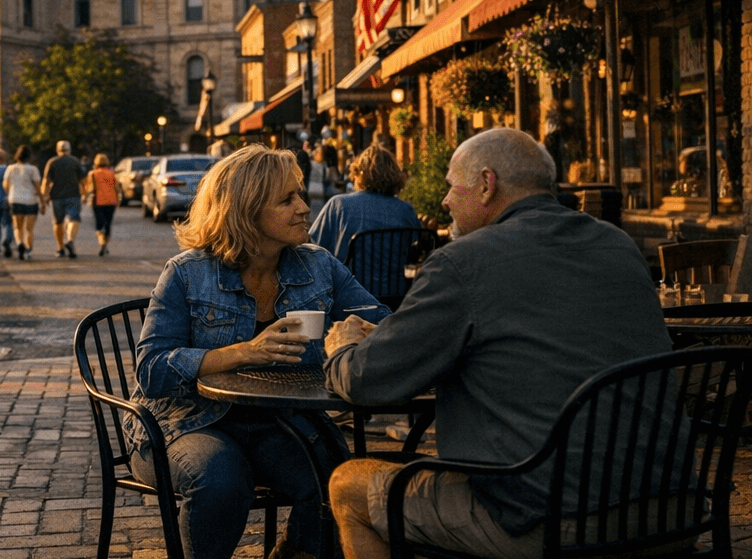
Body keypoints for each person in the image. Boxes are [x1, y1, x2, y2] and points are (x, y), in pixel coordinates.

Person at [323, 128, 672, 559]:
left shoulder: (462, 262)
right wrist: (398, 337)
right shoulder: (617, 244)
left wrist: (342, 348)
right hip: (670, 510)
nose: (445, 201)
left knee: (348, 485)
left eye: (452, 186)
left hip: (553, 521)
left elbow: (365, 380)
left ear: (487, 184)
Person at [129, 145, 392, 559]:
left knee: (335, 472)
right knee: (221, 478)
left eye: (299, 195)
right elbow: (152, 371)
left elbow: (383, 321)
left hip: (276, 420)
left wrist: (368, 332)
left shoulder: (318, 266)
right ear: (246, 212)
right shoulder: (187, 273)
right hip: (185, 422)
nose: (304, 207)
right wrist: (245, 352)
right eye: (287, 199)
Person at [307, 144, 419, 262]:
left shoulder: (338, 204)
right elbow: (416, 250)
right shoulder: (406, 210)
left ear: (358, 173)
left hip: (347, 273)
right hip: (394, 274)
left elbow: (313, 246)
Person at [41, 140, 84, 258]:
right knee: (74, 219)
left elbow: (46, 180)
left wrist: (44, 196)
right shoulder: (75, 161)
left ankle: (60, 248)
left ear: (57, 150)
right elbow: (82, 179)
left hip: (57, 196)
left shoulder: (52, 162)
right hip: (74, 195)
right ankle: (70, 241)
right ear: (69, 150)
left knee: (58, 222)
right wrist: (84, 193)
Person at [2, 146, 43, 260]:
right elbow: (38, 186)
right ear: (29, 156)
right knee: (29, 229)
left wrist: (11, 192)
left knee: (17, 228)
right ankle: (29, 250)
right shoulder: (33, 169)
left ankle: (20, 243)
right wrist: (42, 201)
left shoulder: (10, 168)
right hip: (31, 201)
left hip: (15, 200)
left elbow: (5, 184)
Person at [83, 153, 119, 256]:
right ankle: (105, 244)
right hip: (111, 201)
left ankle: (101, 242)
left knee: (99, 224)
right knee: (108, 223)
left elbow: (88, 188)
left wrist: (85, 197)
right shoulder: (112, 173)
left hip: (98, 201)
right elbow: (116, 187)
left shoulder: (93, 173)